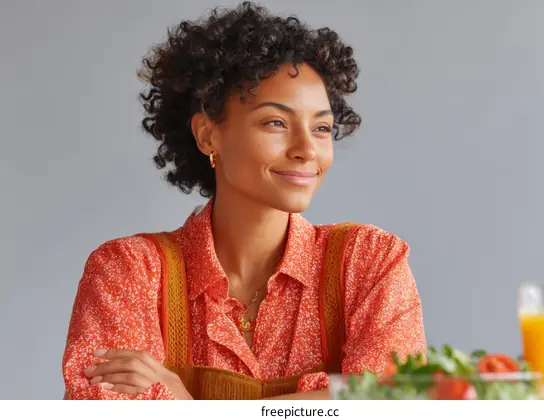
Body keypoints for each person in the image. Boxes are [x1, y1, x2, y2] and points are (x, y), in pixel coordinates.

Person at [62, 1, 426, 400]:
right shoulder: (129, 272)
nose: (307, 149)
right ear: (207, 135)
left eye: (322, 127)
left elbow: (392, 402)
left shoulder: (369, 262)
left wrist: (187, 405)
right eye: (276, 122)